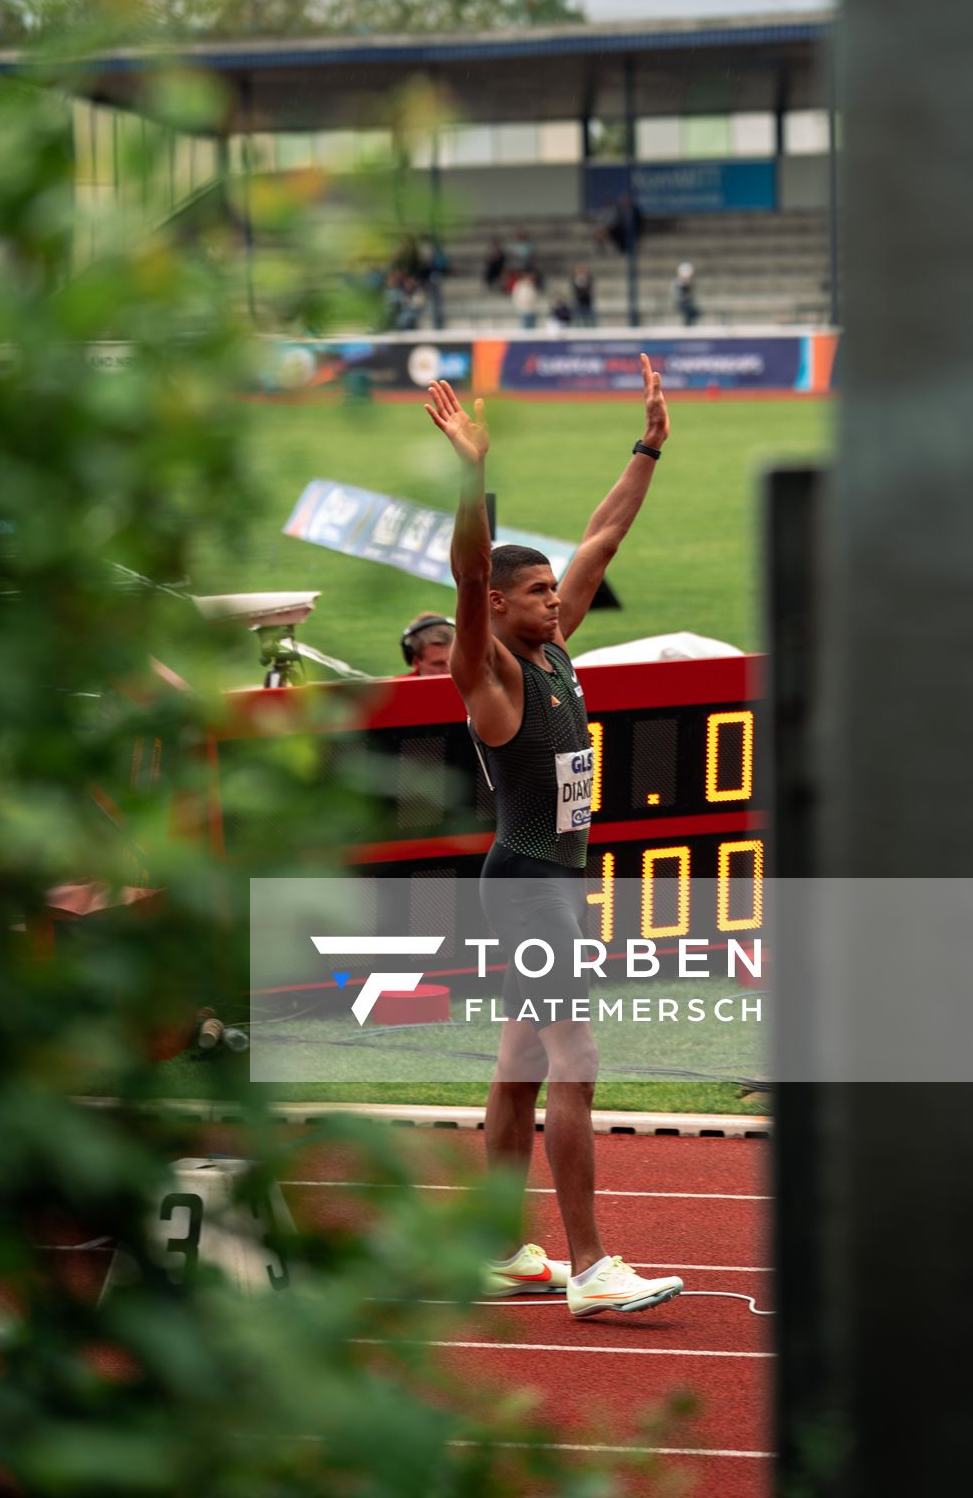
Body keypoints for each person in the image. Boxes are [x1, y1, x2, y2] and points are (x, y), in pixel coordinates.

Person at [423, 358, 683, 1319]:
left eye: (550, 593)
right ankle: (590, 1267)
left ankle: (499, 1249)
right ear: (498, 605)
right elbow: (470, 568)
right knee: (575, 1060)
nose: (555, 600)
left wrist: (648, 443)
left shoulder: (554, 644)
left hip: (544, 882)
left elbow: (604, 534)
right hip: (529, 880)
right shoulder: (486, 675)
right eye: (535, 593)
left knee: (519, 1065)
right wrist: (469, 474)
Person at [399, 611, 455, 676]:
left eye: (453, 662)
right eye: (438, 664)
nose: (449, 670)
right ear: (416, 662)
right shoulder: (395, 686)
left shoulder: (468, 683)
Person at [672, 261, 700, 327]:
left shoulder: (689, 283)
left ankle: (690, 325)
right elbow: (678, 296)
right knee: (691, 311)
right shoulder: (678, 283)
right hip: (681, 304)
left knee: (695, 312)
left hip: (687, 303)